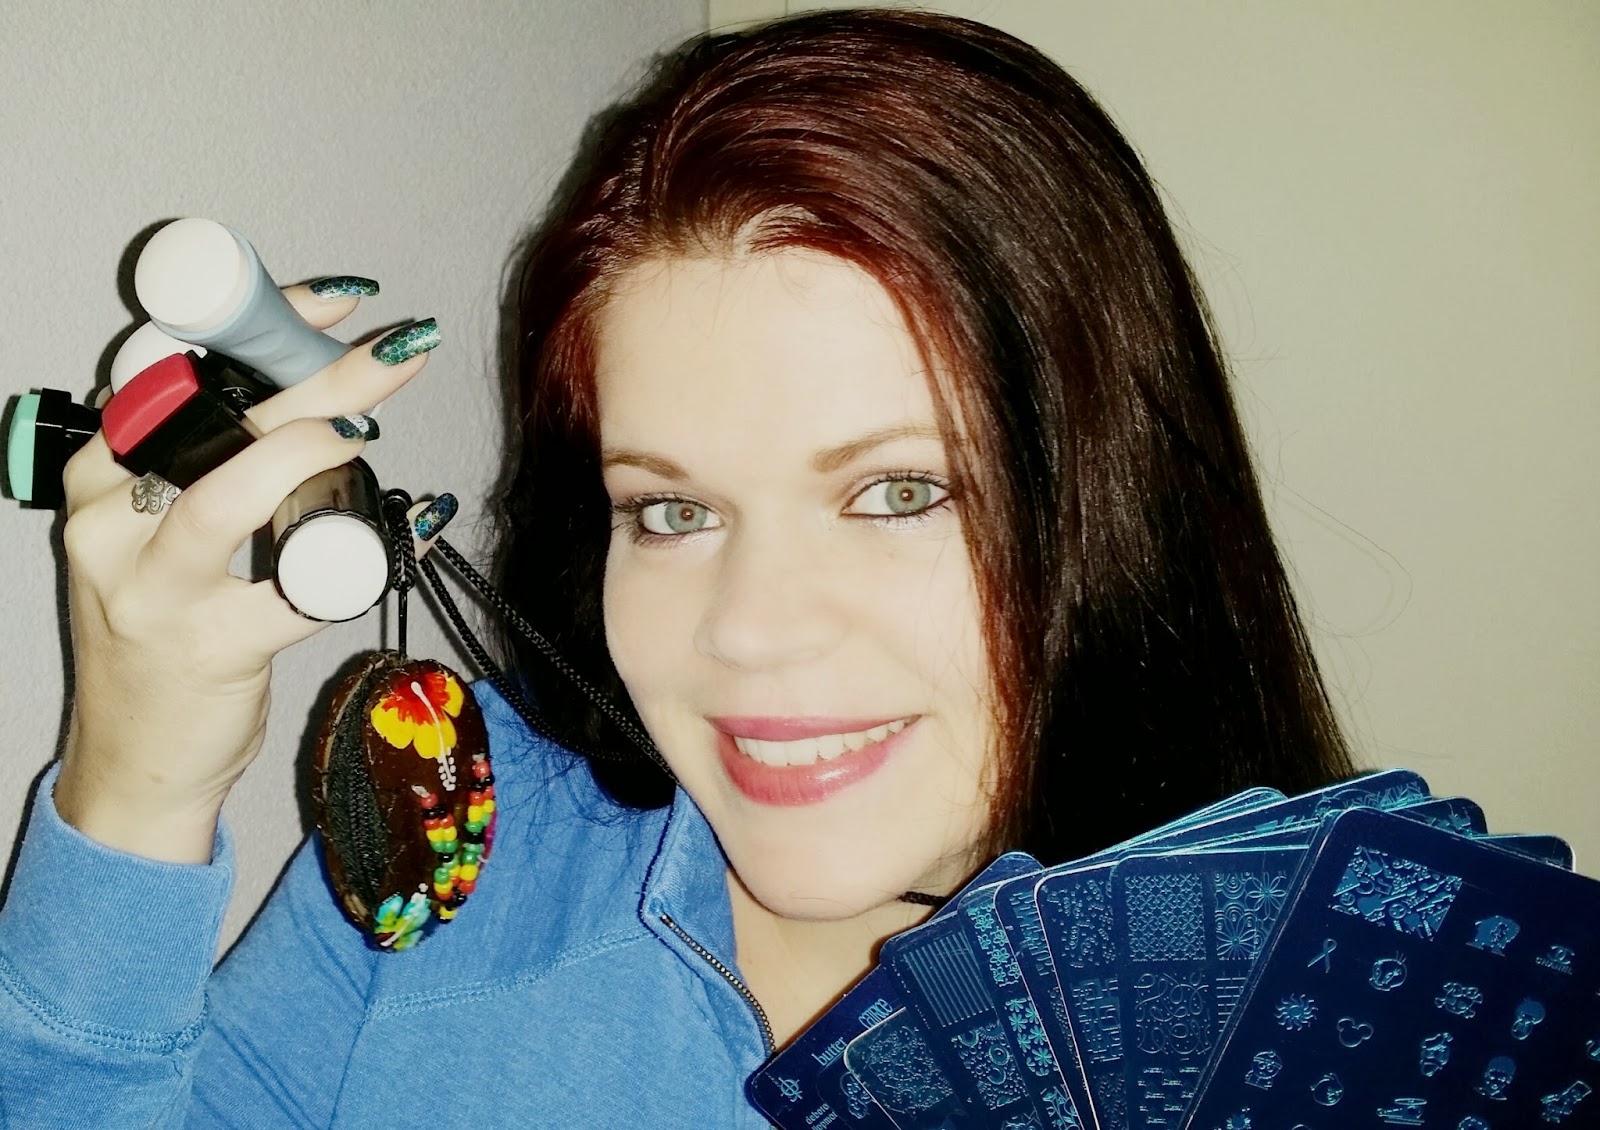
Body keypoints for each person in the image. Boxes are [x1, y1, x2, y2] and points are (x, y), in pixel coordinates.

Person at [0, 9, 1355, 1126]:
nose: (748, 633)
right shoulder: (472, 842)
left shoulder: (1324, 1041)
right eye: (669, 510)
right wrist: (137, 780)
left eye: (898, 492)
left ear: (1111, 506)